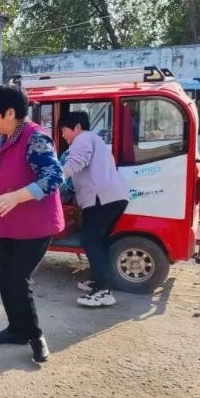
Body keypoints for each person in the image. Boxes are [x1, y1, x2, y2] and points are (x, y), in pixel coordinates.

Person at [0, 85, 64, 363]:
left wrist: (17, 196)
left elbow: (54, 176)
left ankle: (35, 336)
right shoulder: (3, 138)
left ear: (9, 113)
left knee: (18, 280)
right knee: (5, 279)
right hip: (10, 224)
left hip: (36, 225)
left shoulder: (35, 138)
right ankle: (16, 329)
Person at [58, 111, 129, 307]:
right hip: (114, 198)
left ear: (77, 127)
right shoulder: (95, 140)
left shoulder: (82, 139)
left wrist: (54, 179)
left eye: (64, 129)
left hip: (100, 199)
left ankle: (103, 291)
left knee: (89, 240)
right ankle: (100, 281)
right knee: (100, 241)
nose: (63, 134)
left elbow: (76, 162)